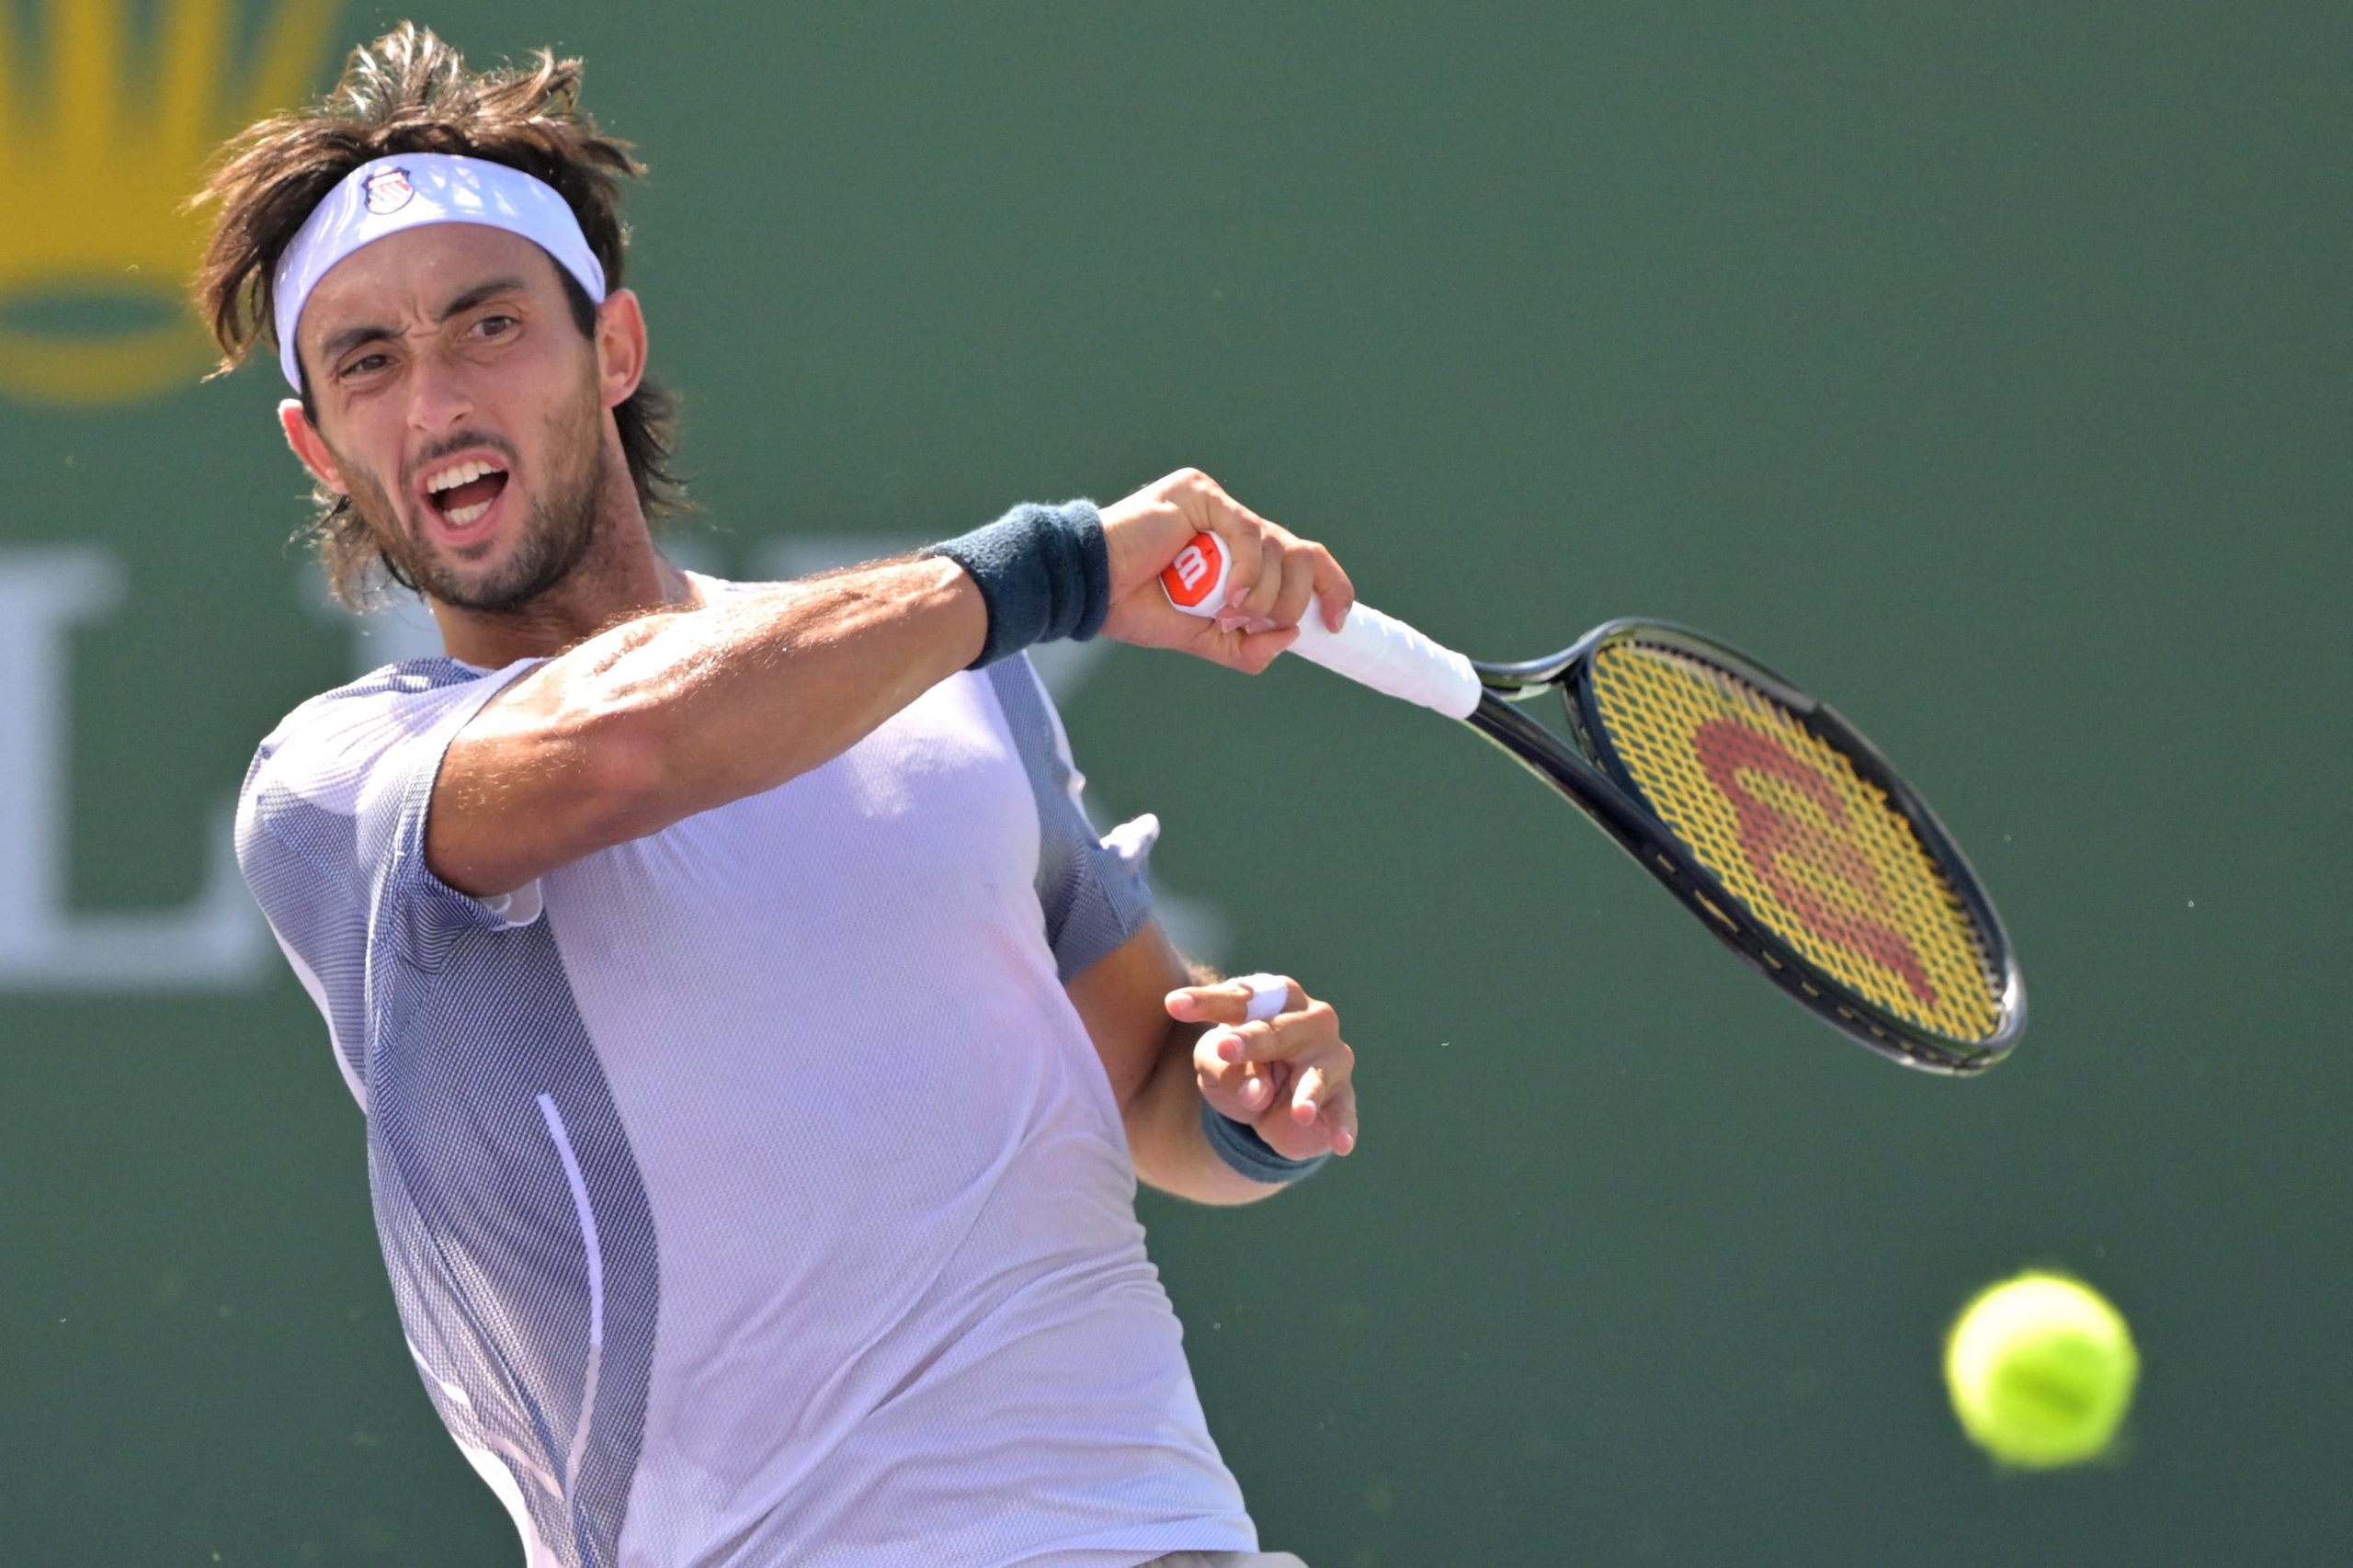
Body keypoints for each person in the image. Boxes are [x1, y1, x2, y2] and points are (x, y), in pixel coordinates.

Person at [194, 25, 1359, 1568]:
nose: (436, 400)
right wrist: (1046, 572)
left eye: (489, 324)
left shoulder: (944, 668)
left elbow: (1149, 1077)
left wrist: (1248, 1102)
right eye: (368, 361)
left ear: (613, 348)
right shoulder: (334, 786)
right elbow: (633, 744)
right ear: (320, 449)